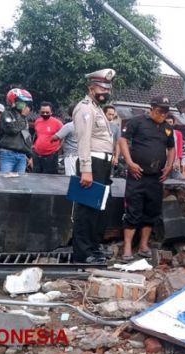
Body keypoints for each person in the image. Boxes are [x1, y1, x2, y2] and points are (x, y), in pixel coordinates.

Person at [119, 95, 176, 261]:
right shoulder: (136, 122)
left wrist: (169, 166)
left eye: (166, 112)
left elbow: (171, 149)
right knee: (133, 210)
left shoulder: (167, 128)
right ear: (151, 108)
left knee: (151, 211)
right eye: (160, 111)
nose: (163, 115)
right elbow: (123, 140)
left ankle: (144, 245)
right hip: (137, 174)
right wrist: (129, 162)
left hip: (156, 177)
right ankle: (128, 248)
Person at [72, 68, 117, 264]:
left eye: (108, 88)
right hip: (92, 163)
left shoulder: (97, 109)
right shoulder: (85, 108)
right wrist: (86, 169)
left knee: (101, 210)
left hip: (103, 165)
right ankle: (82, 253)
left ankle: (94, 247)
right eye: (102, 88)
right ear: (91, 88)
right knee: (87, 210)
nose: (106, 92)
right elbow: (83, 140)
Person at [0, 88, 34, 174]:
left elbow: (26, 138)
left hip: (22, 156)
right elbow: (12, 129)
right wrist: (23, 116)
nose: (25, 105)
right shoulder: (6, 114)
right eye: (22, 101)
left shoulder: (23, 119)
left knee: (20, 184)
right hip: (8, 154)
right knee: (6, 182)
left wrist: (31, 156)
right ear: (14, 101)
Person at [32, 102, 63, 174]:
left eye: (47, 112)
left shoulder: (57, 123)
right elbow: (38, 135)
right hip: (37, 155)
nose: (45, 114)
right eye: (43, 112)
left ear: (51, 112)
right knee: (36, 177)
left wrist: (59, 147)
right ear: (39, 112)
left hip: (51, 155)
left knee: (50, 179)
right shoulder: (37, 122)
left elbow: (64, 135)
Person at [51, 105, 79, 176]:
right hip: (82, 155)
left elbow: (55, 137)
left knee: (70, 177)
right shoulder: (86, 125)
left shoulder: (69, 126)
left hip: (71, 156)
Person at [165, 114, 183, 179]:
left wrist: (178, 160)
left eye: (170, 122)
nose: (168, 124)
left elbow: (180, 148)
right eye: (167, 122)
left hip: (174, 161)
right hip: (163, 162)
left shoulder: (178, 133)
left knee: (177, 181)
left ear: (173, 123)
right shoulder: (160, 133)